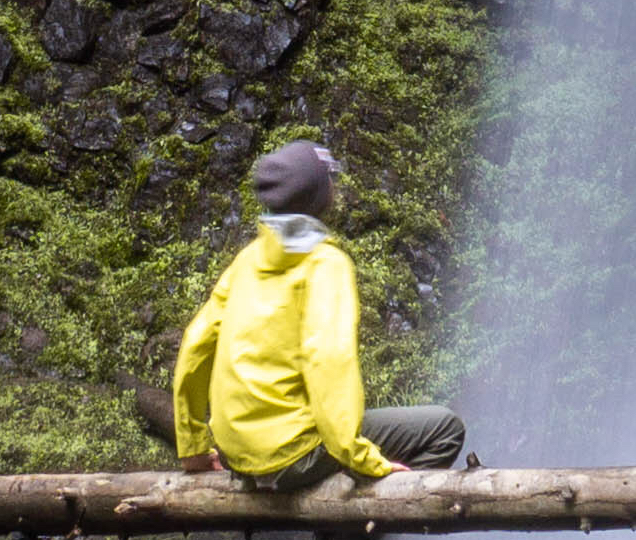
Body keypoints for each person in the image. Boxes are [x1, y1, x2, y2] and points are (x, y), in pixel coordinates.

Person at [172, 138, 469, 495]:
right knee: (444, 429)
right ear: (317, 196)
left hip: (237, 453)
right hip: (291, 455)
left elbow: (196, 345)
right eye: (330, 180)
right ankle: (344, 539)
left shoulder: (247, 260)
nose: (336, 187)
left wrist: (192, 446)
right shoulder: (326, 264)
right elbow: (327, 359)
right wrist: (362, 458)